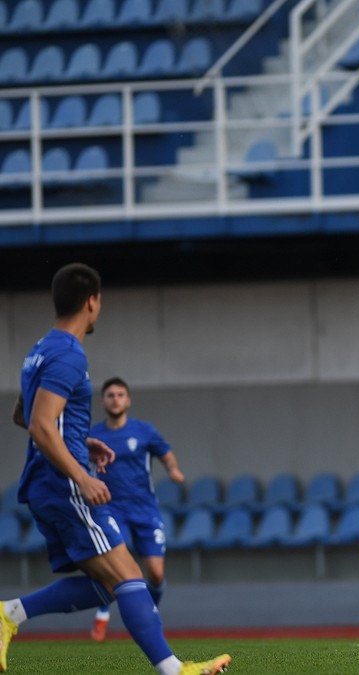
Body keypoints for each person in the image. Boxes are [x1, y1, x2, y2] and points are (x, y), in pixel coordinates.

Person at [1, 263, 230, 675]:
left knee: (108, 584)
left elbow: (25, 413)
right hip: (63, 484)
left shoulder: (39, 350)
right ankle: (174, 671)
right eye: (100, 301)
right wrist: (83, 475)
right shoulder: (69, 354)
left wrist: (79, 440)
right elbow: (38, 424)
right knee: (128, 575)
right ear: (92, 302)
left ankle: (9, 615)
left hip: (44, 482)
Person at [86, 377, 187, 642]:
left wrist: (173, 469)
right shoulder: (94, 436)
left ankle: (148, 616)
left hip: (145, 511)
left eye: (120, 395)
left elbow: (165, 453)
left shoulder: (144, 431)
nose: (115, 399)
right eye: (110, 395)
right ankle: (103, 613)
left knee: (155, 573)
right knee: (115, 567)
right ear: (103, 401)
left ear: (128, 400)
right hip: (110, 510)